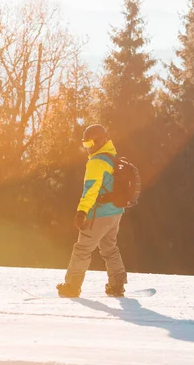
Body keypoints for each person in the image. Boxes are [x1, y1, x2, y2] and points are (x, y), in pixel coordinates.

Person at [56, 124, 128, 298]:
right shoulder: (112, 157)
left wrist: (82, 212)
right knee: (109, 248)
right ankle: (117, 285)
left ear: (99, 141)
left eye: (89, 143)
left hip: (100, 213)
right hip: (116, 213)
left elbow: (90, 190)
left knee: (82, 249)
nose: (87, 148)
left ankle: (72, 287)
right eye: (85, 144)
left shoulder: (96, 162)